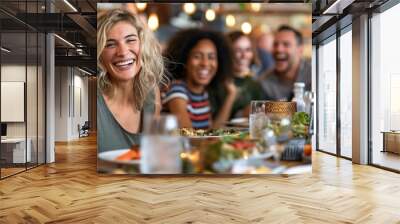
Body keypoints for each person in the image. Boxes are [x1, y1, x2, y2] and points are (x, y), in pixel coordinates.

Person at [97, 9, 166, 152]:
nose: (122, 52)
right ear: (100, 55)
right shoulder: (93, 101)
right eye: (110, 44)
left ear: (143, 46)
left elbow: (154, 152)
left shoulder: (152, 93)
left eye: (131, 40)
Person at [162, 29, 237, 129]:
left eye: (211, 57)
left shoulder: (202, 93)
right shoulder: (177, 89)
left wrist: (231, 96)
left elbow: (212, 131)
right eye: (197, 56)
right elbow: (188, 135)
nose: (205, 63)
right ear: (185, 61)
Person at [259, 25, 311, 101]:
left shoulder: (314, 76)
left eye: (286, 44)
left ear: (300, 50)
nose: (279, 49)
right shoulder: (265, 82)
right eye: (275, 44)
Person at [225, 31, 265, 118]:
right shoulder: (219, 83)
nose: (244, 55)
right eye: (237, 50)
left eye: (248, 50)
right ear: (227, 53)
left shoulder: (254, 84)